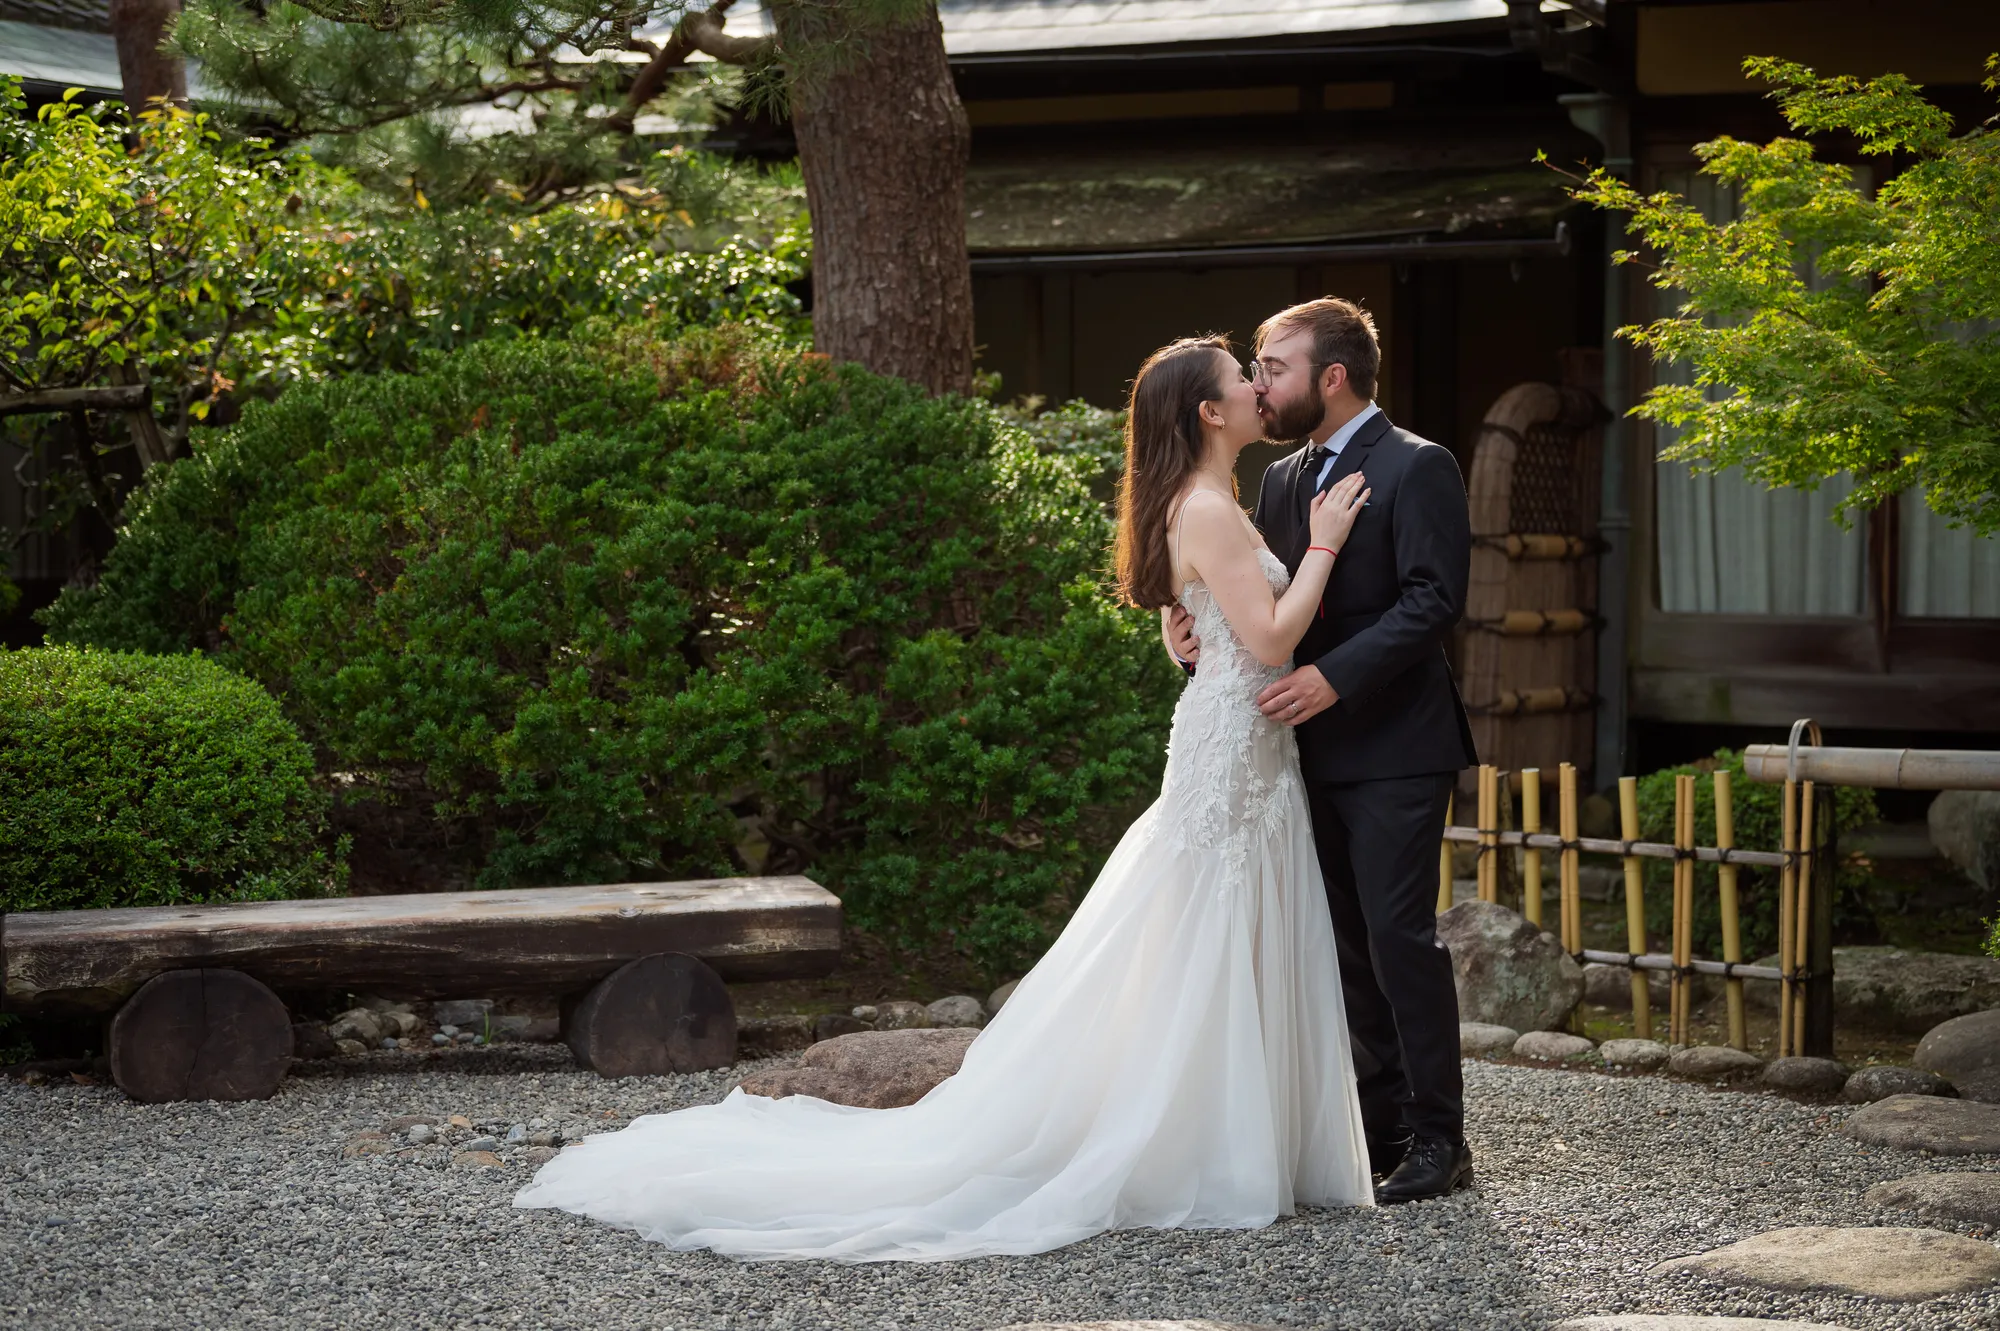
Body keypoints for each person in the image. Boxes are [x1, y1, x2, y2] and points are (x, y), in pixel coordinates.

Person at [512, 335, 1376, 1261]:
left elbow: (1209, 625)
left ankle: (1231, 1135)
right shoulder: (1206, 507)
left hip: (1243, 746)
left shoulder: (1212, 502)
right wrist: (1324, 545)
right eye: (1241, 379)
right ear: (1209, 412)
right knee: (1200, 927)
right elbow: (1275, 636)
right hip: (1230, 753)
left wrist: (1193, 632)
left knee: (1215, 928)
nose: (1256, 386)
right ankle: (1192, 1144)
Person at [1166, 297, 1477, 1204]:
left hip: (1397, 746)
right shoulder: (1279, 478)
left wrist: (1334, 677)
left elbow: (1432, 599)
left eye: (1276, 367)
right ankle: (1373, 1129)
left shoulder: (1420, 466)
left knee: (1396, 937)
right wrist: (1191, 625)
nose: (1262, 383)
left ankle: (1437, 1137)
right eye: (1256, 369)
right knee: (1337, 944)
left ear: (1331, 377)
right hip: (1293, 751)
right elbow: (1258, 598)